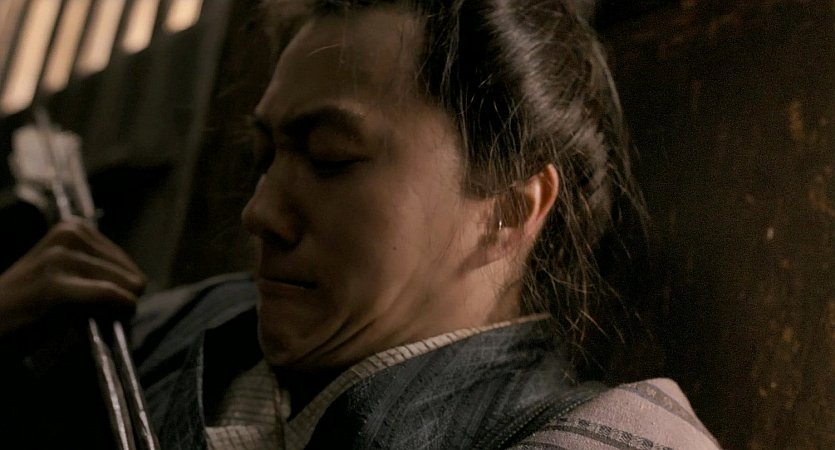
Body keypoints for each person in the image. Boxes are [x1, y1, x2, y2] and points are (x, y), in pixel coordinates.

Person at [2, 0, 722, 448]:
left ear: (510, 207)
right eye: (263, 157)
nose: (259, 213)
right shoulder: (179, 323)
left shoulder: (611, 436)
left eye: (331, 158)